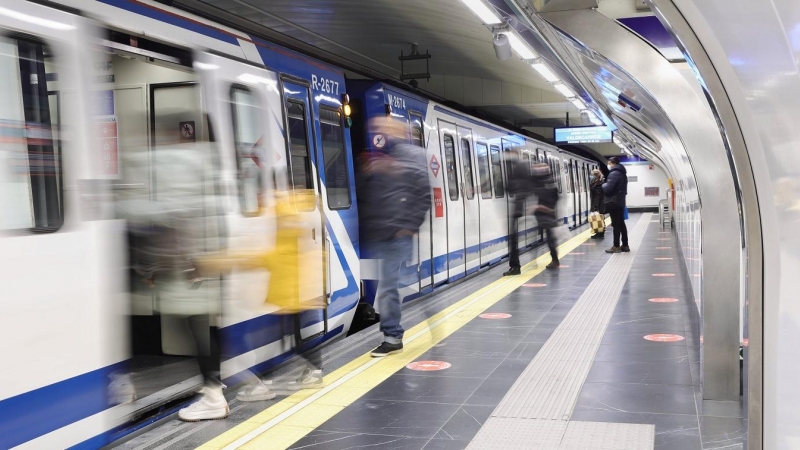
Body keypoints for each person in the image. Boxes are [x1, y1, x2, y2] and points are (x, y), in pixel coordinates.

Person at [117, 114, 229, 421]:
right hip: (198, 263)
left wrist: (149, 265)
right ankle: (219, 388)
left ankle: (215, 394)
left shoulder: (176, 165)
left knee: (196, 327)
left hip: (189, 266)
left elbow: (172, 217)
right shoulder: (203, 163)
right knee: (198, 326)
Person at [359, 118, 431, 358]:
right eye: (378, 128)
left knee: (389, 286)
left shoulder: (412, 156)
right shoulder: (380, 156)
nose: (380, 131)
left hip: (398, 233)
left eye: (386, 128)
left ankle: (392, 337)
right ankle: (426, 317)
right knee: (392, 284)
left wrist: (409, 227)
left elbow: (422, 195)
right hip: (383, 233)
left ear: (401, 130)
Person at [504, 149, 535, 276]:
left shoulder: (519, 167)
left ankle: (515, 266)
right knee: (513, 238)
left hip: (518, 206)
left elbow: (513, 186)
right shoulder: (521, 166)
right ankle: (515, 265)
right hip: (520, 205)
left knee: (513, 238)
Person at [532, 163, 560, 268]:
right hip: (545, 213)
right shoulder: (547, 181)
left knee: (550, 239)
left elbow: (551, 197)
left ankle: (555, 260)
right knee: (548, 238)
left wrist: (545, 208)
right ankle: (552, 259)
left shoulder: (548, 182)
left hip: (547, 214)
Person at [602, 157, 629, 253]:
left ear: (612, 163)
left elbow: (608, 189)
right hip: (620, 202)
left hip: (614, 202)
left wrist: (603, 184)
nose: (608, 165)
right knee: (621, 224)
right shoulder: (622, 173)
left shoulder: (614, 173)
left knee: (616, 225)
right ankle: (625, 245)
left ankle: (616, 246)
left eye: (609, 163)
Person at [589, 169, 605, 239]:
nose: (591, 176)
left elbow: (598, 196)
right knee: (598, 218)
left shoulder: (599, 183)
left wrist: (596, 206)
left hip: (598, 203)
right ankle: (598, 232)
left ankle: (600, 233)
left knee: (599, 218)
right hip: (596, 202)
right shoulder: (596, 181)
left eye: (592, 175)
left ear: (595, 175)